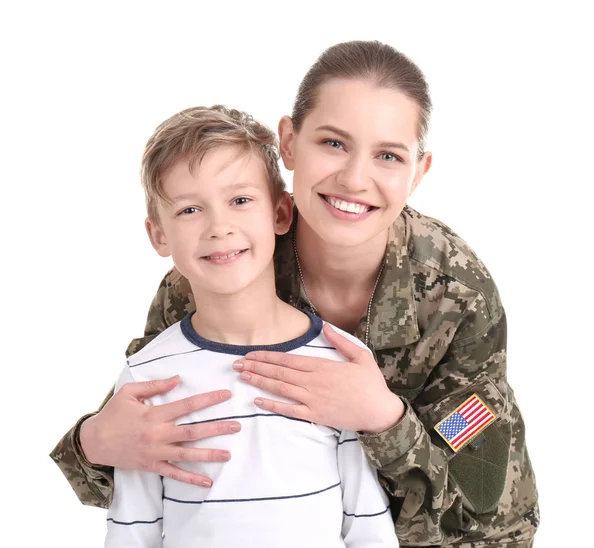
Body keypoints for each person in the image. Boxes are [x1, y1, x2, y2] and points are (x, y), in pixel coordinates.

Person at [51, 41, 539, 546]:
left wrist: (384, 420)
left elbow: (482, 496)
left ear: (418, 171)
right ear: (288, 142)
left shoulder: (458, 298)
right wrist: (93, 443)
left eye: (388, 155)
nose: (353, 178)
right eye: (333, 143)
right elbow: (140, 449)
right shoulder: (220, 267)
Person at [104, 105, 398, 547]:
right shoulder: (147, 377)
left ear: (281, 214)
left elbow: (367, 525)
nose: (219, 227)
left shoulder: (338, 362)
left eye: (240, 201)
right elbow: (132, 530)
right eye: (189, 210)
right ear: (158, 235)